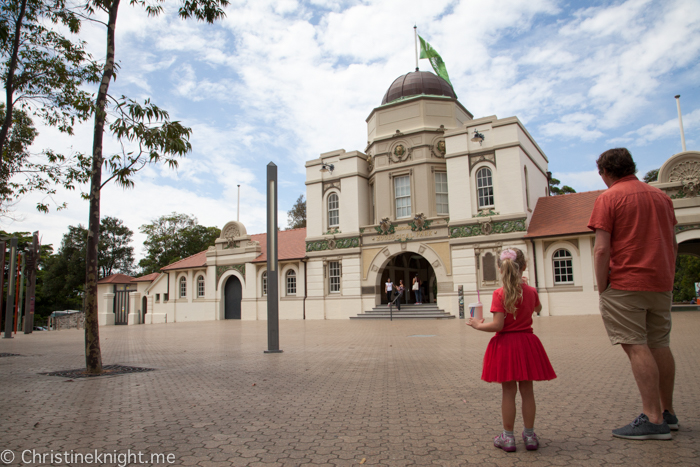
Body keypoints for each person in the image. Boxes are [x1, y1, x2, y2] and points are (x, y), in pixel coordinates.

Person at [588, 148, 678, 440]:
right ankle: (668, 412)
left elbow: (601, 248)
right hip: (660, 283)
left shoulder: (609, 197)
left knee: (637, 346)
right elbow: (672, 243)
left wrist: (602, 286)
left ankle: (652, 419)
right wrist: (668, 276)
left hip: (626, 283)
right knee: (660, 344)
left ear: (604, 172)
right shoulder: (662, 198)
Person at [467, 248, 556, 452]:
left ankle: (508, 438)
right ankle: (530, 436)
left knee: (508, 392)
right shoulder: (531, 291)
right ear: (523, 267)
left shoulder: (499, 294)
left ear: (500, 268)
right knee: (527, 391)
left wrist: (477, 325)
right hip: (526, 344)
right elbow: (538, 309)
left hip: (506, 346)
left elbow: (498, 326)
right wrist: (525, 287)